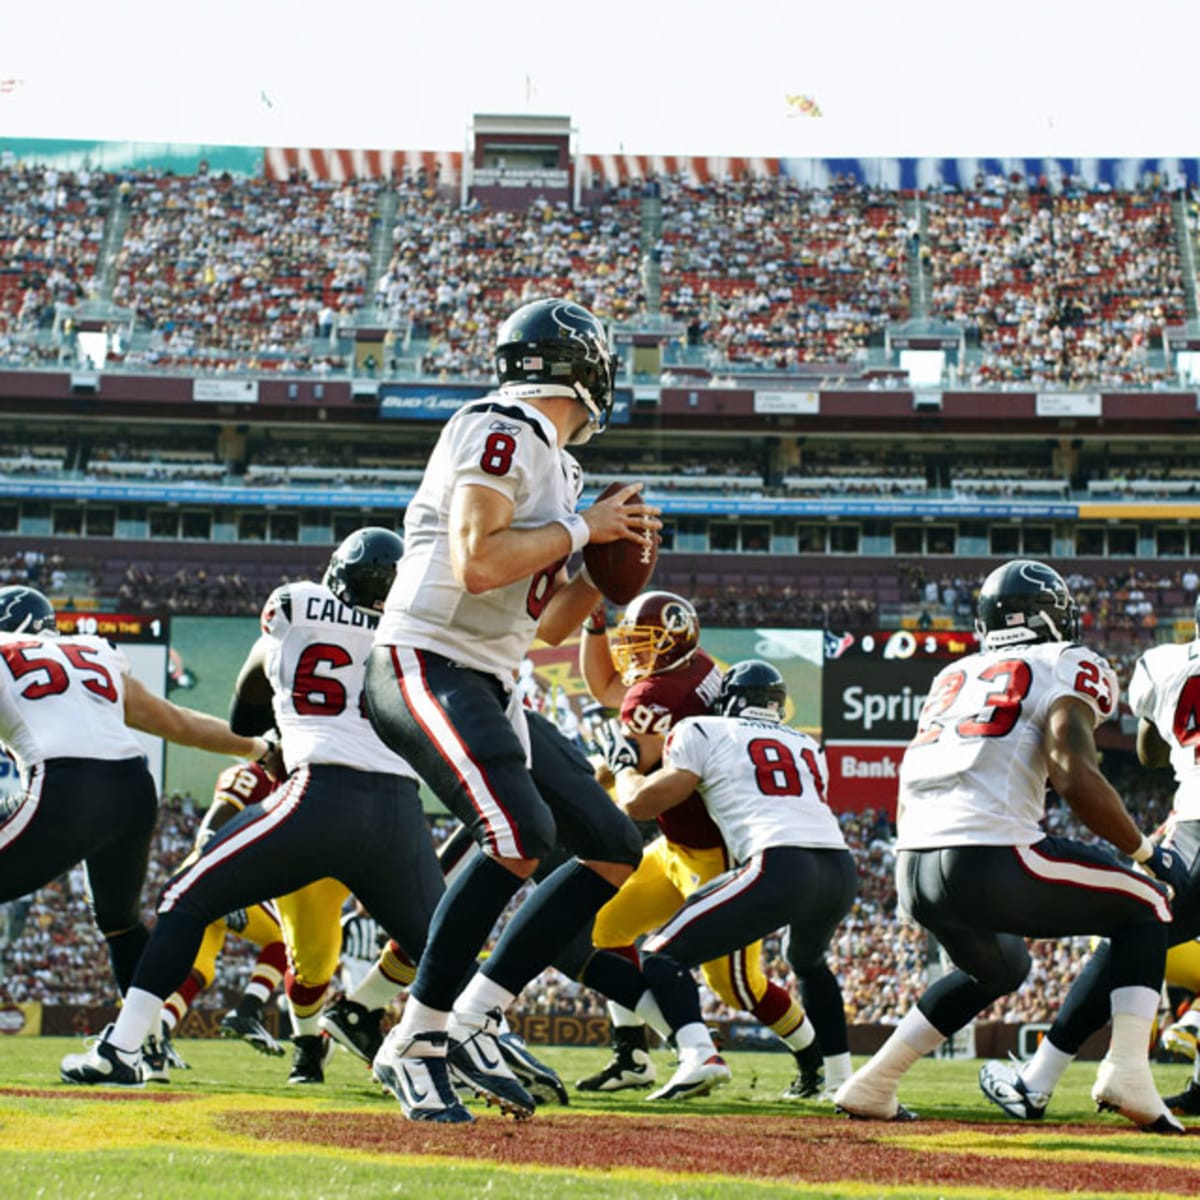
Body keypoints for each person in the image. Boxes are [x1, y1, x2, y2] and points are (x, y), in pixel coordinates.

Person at [364, 297, 654, 1123]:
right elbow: (477, 560)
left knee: (611, 845)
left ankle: (477, 1014)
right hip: (426, 655)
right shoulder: (503, 424)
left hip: (494, 677)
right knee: (517, 834)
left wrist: (602, 569)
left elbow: (549, 623)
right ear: (585, 368)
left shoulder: (556, 464)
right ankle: (415, 1039)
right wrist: (582, 527)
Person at [61, 527, 445, 1091]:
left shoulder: (294, 606)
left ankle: (122, 1048)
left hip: (321, 795)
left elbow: (244, 718)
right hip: (400, 812)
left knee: (183, 897)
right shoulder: (415, 637)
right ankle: (429, 1034)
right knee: (444, 942)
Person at [833, 560, 1186, 1133]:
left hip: (913, 866)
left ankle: (874, 1081)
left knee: (1002, 967)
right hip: (989, 854)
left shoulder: (954, 673)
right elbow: (1073, 773)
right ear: (1054, 615)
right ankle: (1127, 1071)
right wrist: (1146, 852)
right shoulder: (1063, 660)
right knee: (1148, 903)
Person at [576, 590, 852, 1101]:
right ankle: (632, 1055)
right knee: (607, 922)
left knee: (736, 986)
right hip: (677, 843)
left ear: (672, 640)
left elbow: (625, 755)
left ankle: (812, 1062)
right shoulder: (704, 667)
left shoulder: (654, 700)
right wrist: (595, 631)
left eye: (643, 642)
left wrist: (588, 780)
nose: (632, 652)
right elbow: (615, 690)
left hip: (718, 851)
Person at [0, 584, 273, 1031]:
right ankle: (143, 1040)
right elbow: (175, 721)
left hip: (64, 787)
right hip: (131, 788)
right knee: (120, 923)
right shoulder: (93, 653)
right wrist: (259, 747)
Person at [979, 595, 1200, 1123]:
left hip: (1198, 819)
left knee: (1134, 923)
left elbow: (1149, 753)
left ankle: (1038, 1080)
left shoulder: (1164, 664)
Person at [143, 759, 290, 1084]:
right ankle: (248, 1011)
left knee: (200, 970)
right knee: (283, 937)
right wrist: (223, 883)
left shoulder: (277, 781)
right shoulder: (251, 775)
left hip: (207, 876)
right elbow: (212, 826)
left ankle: (161, 1031)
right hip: (215, 874)